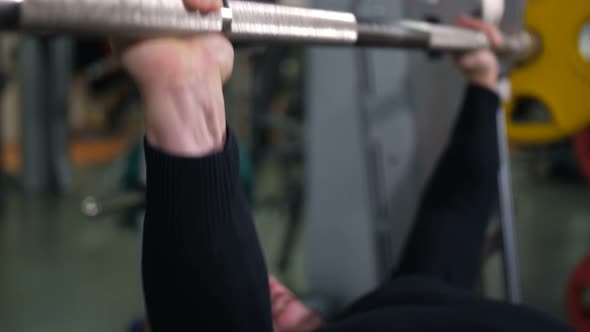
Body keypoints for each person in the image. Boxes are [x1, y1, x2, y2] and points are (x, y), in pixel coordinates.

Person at [119, 0, 574, 331]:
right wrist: (184, 84)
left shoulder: (400, 300)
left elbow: (455, 215)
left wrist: (483, 84)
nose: (268, 282)